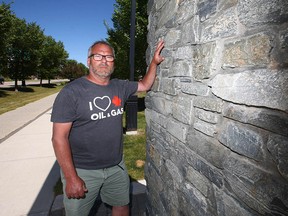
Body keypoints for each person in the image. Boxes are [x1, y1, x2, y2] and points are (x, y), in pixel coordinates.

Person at [51, 39, 164, 216]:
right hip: (82, 170)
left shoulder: (120, 86)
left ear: (113, 62)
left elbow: (145, 85)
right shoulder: (71, 92)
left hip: (116, 167)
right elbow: (59, 138)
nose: (104, 60)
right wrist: (71, 177)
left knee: (122, 206)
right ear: (88, 60)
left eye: (109, 57)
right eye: (98, 56)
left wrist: (154, 63)